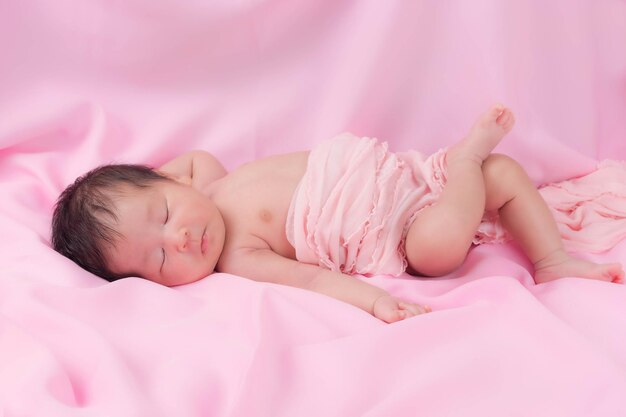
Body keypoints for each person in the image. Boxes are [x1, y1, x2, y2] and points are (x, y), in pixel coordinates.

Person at [51, 105, 624, 323]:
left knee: (506, 175)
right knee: (438, 246)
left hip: (409, 177)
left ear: (171, 180)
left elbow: (187, 166)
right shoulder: (238, 253)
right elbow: (308, 276)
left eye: (166, 213)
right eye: (158, 259)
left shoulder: (206, 178)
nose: (181, 238)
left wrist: (151, 186)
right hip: (403, 232)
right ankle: (468, 158)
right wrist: (373, 300)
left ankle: (552, 259)